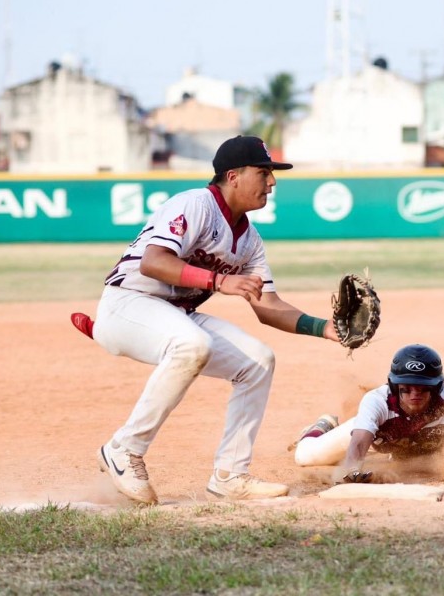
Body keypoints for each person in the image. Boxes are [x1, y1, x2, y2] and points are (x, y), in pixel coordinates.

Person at [70, 135, 339, 504]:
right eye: (264, 173)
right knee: (193, 343)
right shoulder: (194, 204)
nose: (272, 182)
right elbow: (154, 262)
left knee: (258, 361)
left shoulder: (250, 240)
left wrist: (323, 328)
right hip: (127, 303)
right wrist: (219, 280)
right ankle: (124, 449)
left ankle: (230, 475)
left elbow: (267, 305)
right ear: (233, 176)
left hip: (174, 315)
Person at [293, 344, 444, 483]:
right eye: (406, 386)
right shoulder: (377, 401)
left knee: (417, 459)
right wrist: (352, 469)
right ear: (395, 386)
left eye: (422, 386)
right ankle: (324, 424)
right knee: (306, 457)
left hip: (415, 446)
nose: (414, 393)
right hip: (375, 436)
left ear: (437, 386)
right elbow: (358, 444)